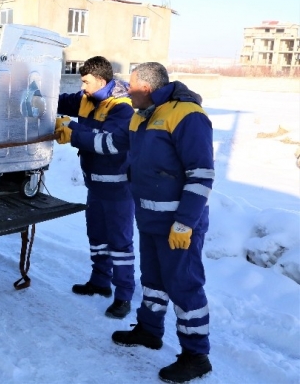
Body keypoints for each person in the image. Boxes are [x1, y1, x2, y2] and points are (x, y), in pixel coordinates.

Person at [112, 62, 213, 383]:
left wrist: (185, 223)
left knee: (184, 286)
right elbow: (123, 147)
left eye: (132, 86)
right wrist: (75, 134)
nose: (128, 92)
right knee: (153, 280)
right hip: (150, 218)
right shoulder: (144, 115)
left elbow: (202, 174)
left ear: (148, 88)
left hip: (177, 225)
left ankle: (196, 355)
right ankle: (149, 330)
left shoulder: (187, 116)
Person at [55, 56, 135, 319]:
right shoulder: (86, 99)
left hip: (118, 189)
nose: (83, 86)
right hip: (96, 186)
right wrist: (36, 95)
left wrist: (72, 131)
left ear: (101, 81)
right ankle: (100, 282)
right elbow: (59, 100)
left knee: (120, 244)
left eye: (86, 81)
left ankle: (123, 296)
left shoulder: (122, 107)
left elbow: (108, 143)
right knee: (97, 237)